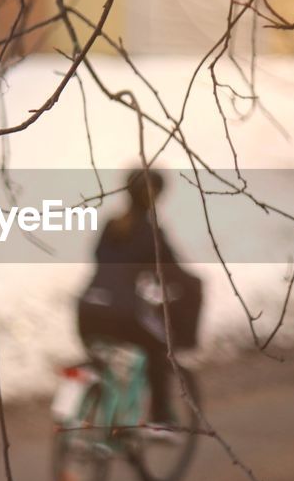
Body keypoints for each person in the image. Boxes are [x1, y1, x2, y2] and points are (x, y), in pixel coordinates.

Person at [77, 168, 201, 427]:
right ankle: (162, 418)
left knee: (108, 362)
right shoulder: (150, 232)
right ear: (156, 196)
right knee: (158, 348)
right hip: (122, 315)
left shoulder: (111, 225)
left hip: (87, 310)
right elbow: (174, 274)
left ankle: (110, 418)